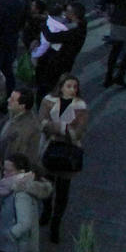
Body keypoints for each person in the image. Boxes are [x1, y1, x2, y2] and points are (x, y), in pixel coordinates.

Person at [39, 74, 87, 243]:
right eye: (69, 86)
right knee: (47, 186)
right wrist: (63, 128)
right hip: (50, 149)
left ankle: (56, 224)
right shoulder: (48, 101)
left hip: (68, 152)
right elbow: (42, 123)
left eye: (75, 86)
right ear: (61, 87)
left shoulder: (80, 106)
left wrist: (58, 129)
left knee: (62, 192)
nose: (72, 90)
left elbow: (79, 130)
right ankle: (46, 211)